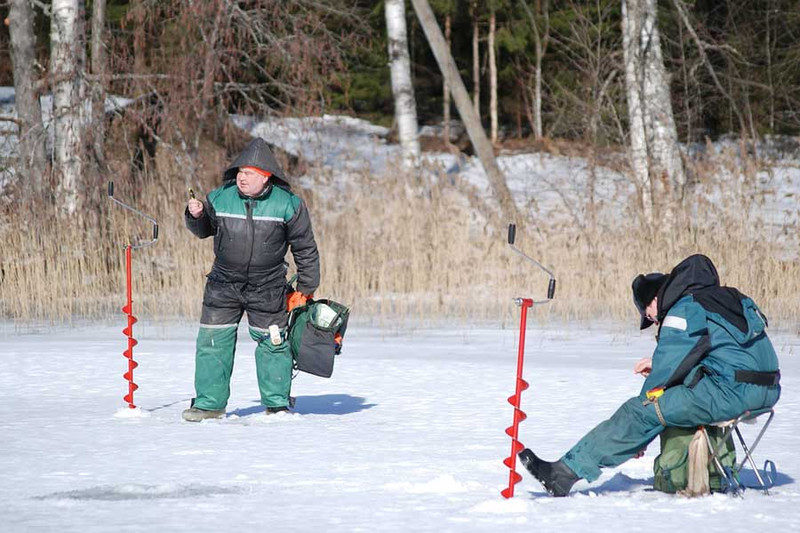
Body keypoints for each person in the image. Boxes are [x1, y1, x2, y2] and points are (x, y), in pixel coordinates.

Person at [519, 254, 781, 496]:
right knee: (664, 402)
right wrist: (659, 371)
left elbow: (664, 378)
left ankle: (561, 474)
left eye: (649, 316)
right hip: (765, 390)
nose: (654, 321)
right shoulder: (726, 297)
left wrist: (642, 422)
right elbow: (717, 355)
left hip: (732, 394)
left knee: (640, 410)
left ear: (654, 299)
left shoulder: (684, 309)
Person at [181, 137, 320, 422]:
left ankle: (277, 404)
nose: (241, 178)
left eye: (249, 174)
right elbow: (203, 230)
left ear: (266, 177)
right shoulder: (220, 197)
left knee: (273, 343)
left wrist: (306, 288)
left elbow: (305, 248)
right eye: (240, 172)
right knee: (212, 341)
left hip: (268, 286)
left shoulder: (289, 204)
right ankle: (208, 405)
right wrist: (195, 216)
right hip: (222, 284)